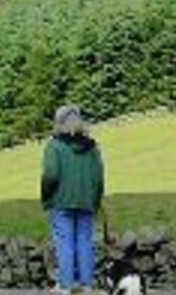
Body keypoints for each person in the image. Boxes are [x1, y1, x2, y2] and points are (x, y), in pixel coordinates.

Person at [43, 104, 106, 294]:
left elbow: (50, 175)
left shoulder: (54, 146)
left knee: (65, 243)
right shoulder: (93, 147)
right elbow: (99, 178)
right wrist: (96, 201)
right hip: (87, 202)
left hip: (61, 201)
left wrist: (46, 197)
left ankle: (66, 285)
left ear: (58, 123)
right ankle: (86, 285)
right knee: (85, 241)